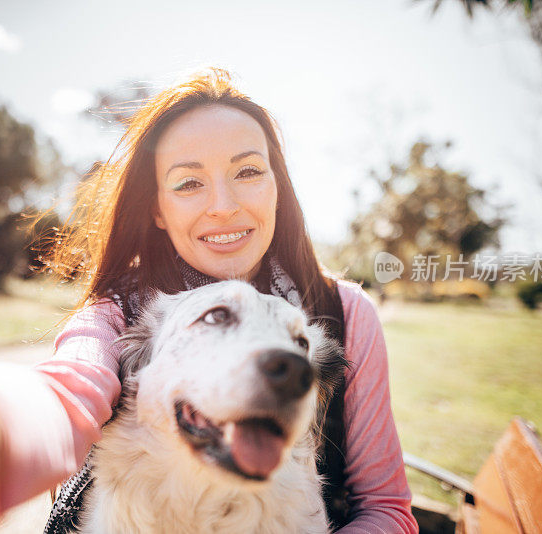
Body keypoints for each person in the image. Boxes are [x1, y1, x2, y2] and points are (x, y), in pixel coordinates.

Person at [31, 68, 418, 533]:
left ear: (278, 187)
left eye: (249, 171)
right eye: (189, 183)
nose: (223, 205)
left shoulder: (347, 312)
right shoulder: (114, 313)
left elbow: (386, 507)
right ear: (157, 207)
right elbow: (69, 392)